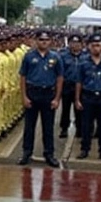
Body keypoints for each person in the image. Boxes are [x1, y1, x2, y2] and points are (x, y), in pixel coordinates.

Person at [19, 31, 63, 166]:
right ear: (36, 41)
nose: (44, 41)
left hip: (48, 94)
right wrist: (24, 96)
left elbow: (60, 78)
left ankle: (49, 154)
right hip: (32, 93)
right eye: (41, 39)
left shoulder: (56, 57)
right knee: (29, 127)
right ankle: (27, 152)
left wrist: (57, 98)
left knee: (48, 127)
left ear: (50, 41)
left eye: (46, 39)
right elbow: (23, 77)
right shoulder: (28, 56)